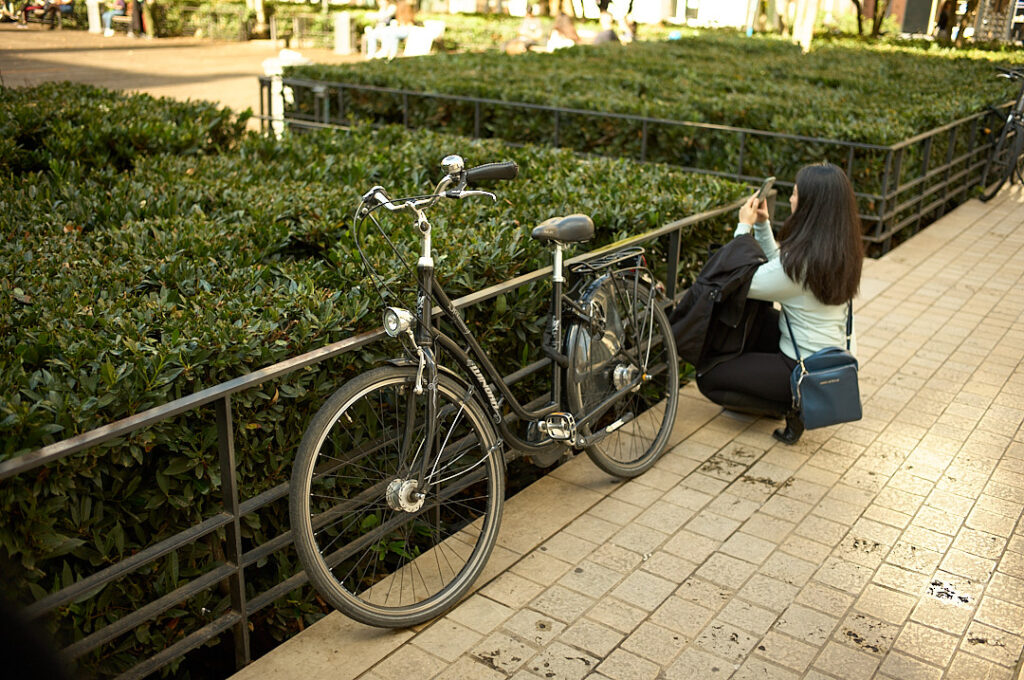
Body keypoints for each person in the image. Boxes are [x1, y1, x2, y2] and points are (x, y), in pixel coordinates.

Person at [691, 163, 864, 444]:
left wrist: (743, 229)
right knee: (761, 322)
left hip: (801, 370)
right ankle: (781, 395)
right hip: (836, 357)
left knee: (710, 375)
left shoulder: (801, 264)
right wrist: (762, 225)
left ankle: (792, 403)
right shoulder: (842, 249)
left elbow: (741, 283)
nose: (791, 199)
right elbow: (781, 270)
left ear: (810, 205)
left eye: (795, 194)